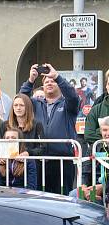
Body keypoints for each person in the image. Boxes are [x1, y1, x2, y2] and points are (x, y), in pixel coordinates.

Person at [19, 63, 80, 195]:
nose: (49, 83)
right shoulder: (36, 103)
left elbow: (73, 97)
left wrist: (57, 76)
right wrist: (31, 80)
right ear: (43, 85)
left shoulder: (68, 104)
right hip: (39, 160)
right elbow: (21, 99)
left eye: (53, 81)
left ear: (59, 84)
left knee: (63, 198)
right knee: (40, 199)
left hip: (63, 160)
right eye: (46, 81)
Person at [70, 116, 109, 203]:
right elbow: (85, 171)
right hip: (93, 188)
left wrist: (103, 187)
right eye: (105, 130)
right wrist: (84, 188)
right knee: (73, 195)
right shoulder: (94, 147)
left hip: (105, 189)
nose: (107, 133)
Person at [85, 70, 109, 146]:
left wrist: (99, 131)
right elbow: (88, 135)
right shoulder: (95, 110)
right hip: (102, 156)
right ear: (106, 86)